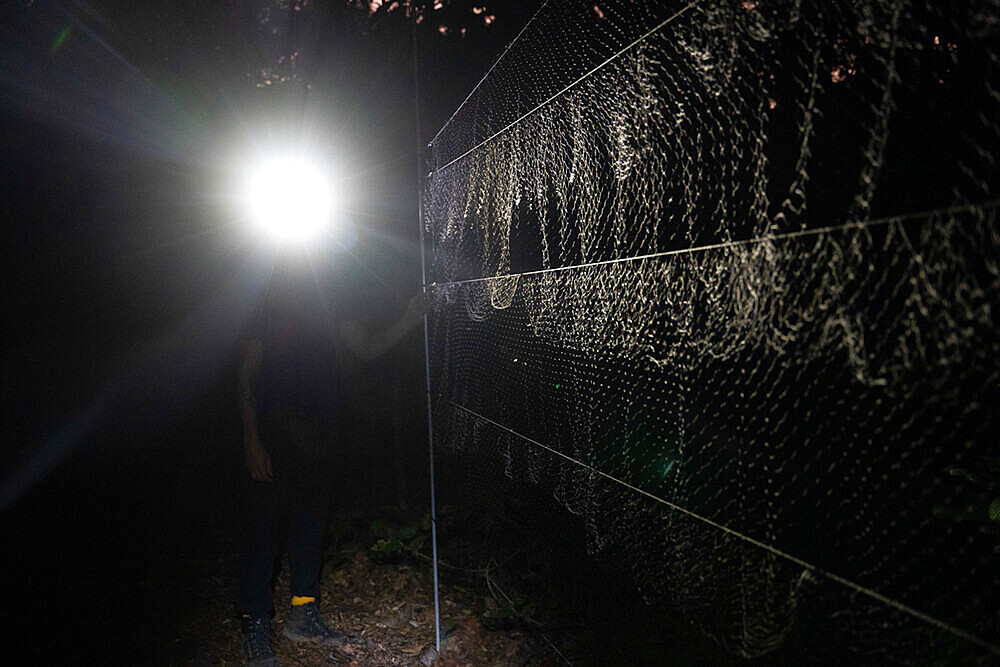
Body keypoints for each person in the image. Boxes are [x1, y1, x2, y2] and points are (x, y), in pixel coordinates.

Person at [236, 270, 427, 666]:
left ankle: (303, 614)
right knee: (263, 532)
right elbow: (248, 371)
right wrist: (251, 439)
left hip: (319, 438)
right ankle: (254, 623)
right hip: (274, 435)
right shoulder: (265, 291)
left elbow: (367, 347)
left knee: (309, 530)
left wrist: (411, 317)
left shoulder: (331, 293)